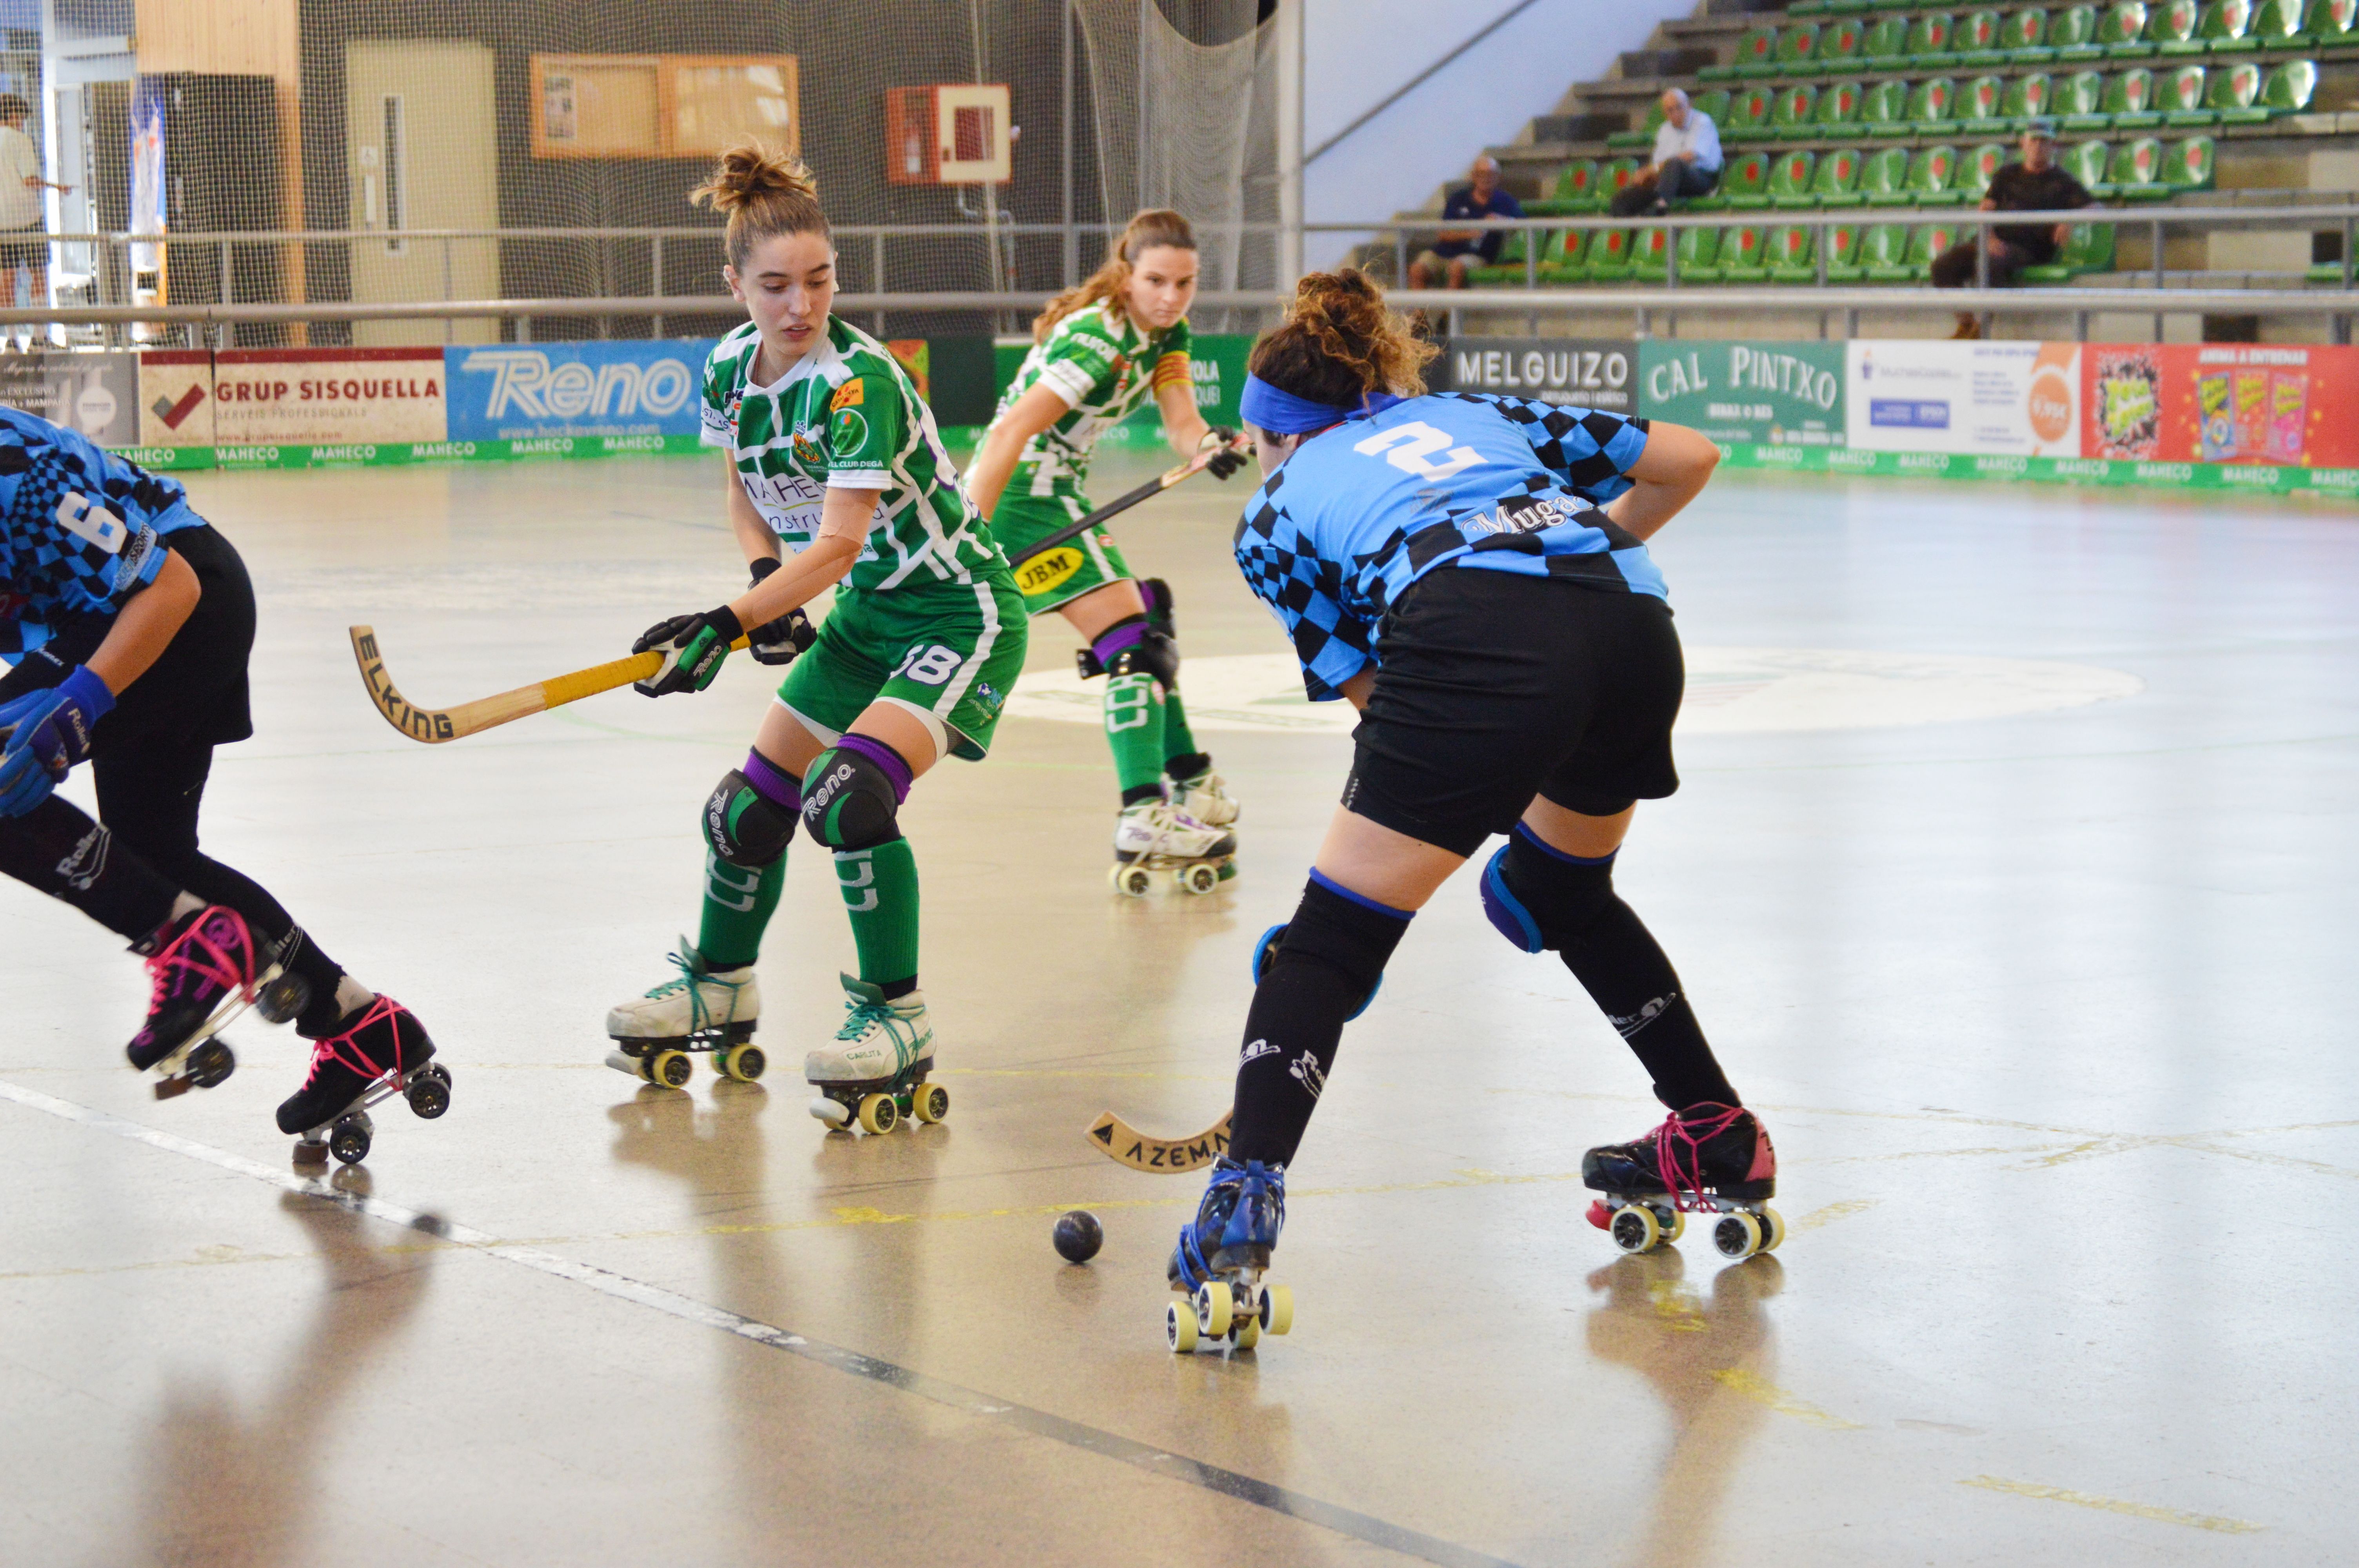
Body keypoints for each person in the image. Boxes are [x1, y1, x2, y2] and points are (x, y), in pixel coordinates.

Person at [1163, 270, 1773, 1348]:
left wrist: (1331, 958)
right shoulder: (1468, 413)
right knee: (1548, 890)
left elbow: (1388, 705)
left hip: (1476, 627)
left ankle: (1243, 1201)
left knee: (1329, 946)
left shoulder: (1268, 519)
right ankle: (1715, 1132)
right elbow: (1689, 459)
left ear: (1274, 437)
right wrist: (1573, 568)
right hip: (1627, 617)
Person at [606, 144, 1027, 1132]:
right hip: (867, 619)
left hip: (957, 612)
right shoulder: (726, 371)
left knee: (848, 796)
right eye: (775, 286)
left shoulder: (856, 383)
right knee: (743, 814)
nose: (801, 306)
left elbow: (836, 545)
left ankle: (897, 1018)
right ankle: (717, 984)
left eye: (820, 281)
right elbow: (744, 491)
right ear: (734, 285)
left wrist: (727, 622)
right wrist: (761, 583)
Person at [0, 406, 439, 1151]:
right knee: (158, 855)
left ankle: (185, 936)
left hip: (181, 603)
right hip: (108, 620)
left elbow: (168, 586)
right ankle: (363, 1024)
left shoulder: (16, 477)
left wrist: (82, 699)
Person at [962, 210, 1248, 885]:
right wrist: (967, 534)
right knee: (1134, 639)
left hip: (1055, 493)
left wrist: (1207, 445)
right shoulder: (1098, 343)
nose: (1172, 297)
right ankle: (1145, 811)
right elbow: (1007, 435)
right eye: (1156, 281)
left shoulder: (1165, 331)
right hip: (1024, 498)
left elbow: (1181, 420)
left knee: (1140, 636)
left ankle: (1190, 782)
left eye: (1185, 283)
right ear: (1127, 274)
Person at [1930, 120, 2093, 339]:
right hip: (1991, 239)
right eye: (2034, 140)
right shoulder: (2007, 174)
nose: (2038, 146)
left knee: (1988, 264)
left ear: (2053, 146)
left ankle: (1983, 327)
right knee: (1943, 266)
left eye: (2044, 141)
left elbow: (2095, 206)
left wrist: (2070, 219)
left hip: (2029, 248)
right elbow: (1986, 207)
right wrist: (1989, 237)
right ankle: (1966, 324)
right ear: (2023, 144)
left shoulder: (2063, 181)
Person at [0, 94, 69, 342]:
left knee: (6, 278)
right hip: (29, 218)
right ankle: (40, 337)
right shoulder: (20, 140)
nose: (22, 123)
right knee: (38, 274)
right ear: (12, 116)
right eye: (20, 117)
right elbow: (30, 180)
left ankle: (11, 339)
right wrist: (56, 186)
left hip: (2, 224)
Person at [1407, 156, 1524, 290]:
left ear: (1498, 177)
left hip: (1477, 256)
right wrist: (1471, 234)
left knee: (1457, 267)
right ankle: (1420, 311)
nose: (1486, 178)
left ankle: (1450, 310)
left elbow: (1523, 224)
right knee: (1417, 270)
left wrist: (1501, 221)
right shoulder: (1458, 199)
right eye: (1481, 174)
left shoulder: (1506, 201)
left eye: (1490, 174)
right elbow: (1443, 234)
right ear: (1474, 176)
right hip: (1443, 253)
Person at [1612, 89, 1723, 218]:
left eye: (1679, 107)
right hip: (1668, 182)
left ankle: (1660, 208)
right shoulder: (1664, 130)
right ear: (1665, 113)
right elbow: (1658, 165)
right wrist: (1645, 176)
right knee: (1620, 201)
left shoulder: (1702, 122)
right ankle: (1634, 234)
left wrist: (1652, 169)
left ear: (1689, 106)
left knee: (1675, 164)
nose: (1676, 114)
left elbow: (1689, 157)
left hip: (1701, 179)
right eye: (1670, 110)